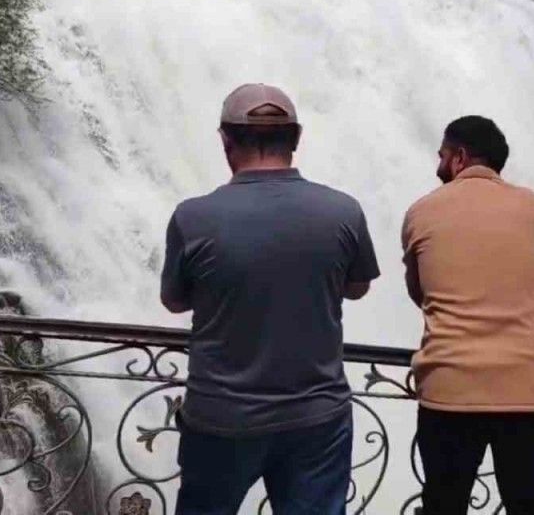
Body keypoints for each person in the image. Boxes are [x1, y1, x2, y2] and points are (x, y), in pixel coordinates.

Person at [161, 84, 381, 515]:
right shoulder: (344, 211)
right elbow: (357, 287)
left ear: (225, 141)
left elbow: (175, 301)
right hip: (317, 417)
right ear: (296, 139)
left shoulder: (192, 217)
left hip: (221, 416)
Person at [401, 116, 534, 515]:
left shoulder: (422, 211)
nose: (438, 165)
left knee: (444, 506)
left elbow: (420, 293)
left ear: (459, 157)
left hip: (449, 392)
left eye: (441, 155)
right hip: (531, 392)